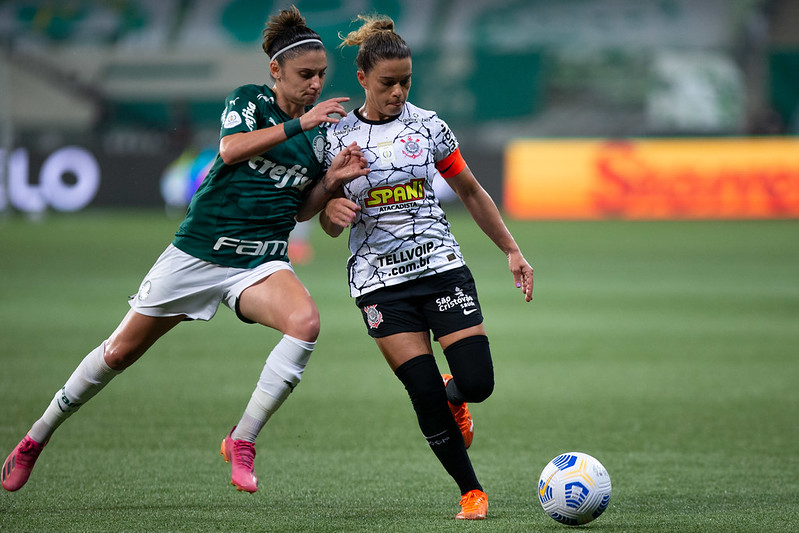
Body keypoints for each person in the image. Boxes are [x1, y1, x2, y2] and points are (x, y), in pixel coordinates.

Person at [1, 6, 368, 494]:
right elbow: (232, 150)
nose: (315, 84)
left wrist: (331, 183)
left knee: (305, 324)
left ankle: (242, 439)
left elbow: (301, 211)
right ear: (276, 71)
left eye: (322, 74)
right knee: (117, 354)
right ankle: (35, 439)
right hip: (198, 253)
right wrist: (301, 127)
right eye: (305, 74)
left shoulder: (322, 134)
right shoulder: (250, 102)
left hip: (258, 260)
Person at [320, 14, 534, 521]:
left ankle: (453, 392)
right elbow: (322, 217)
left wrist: (511, 249)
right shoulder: (334, 139)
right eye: (387, 83)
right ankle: (471, 492)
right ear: (362, 80)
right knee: (421, 393)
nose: (397, 92)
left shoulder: (429, 126)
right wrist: (330, 210)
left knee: (477, 382)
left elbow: (470, 191)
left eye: (406, 82)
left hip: (440, 267)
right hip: (379, 284)